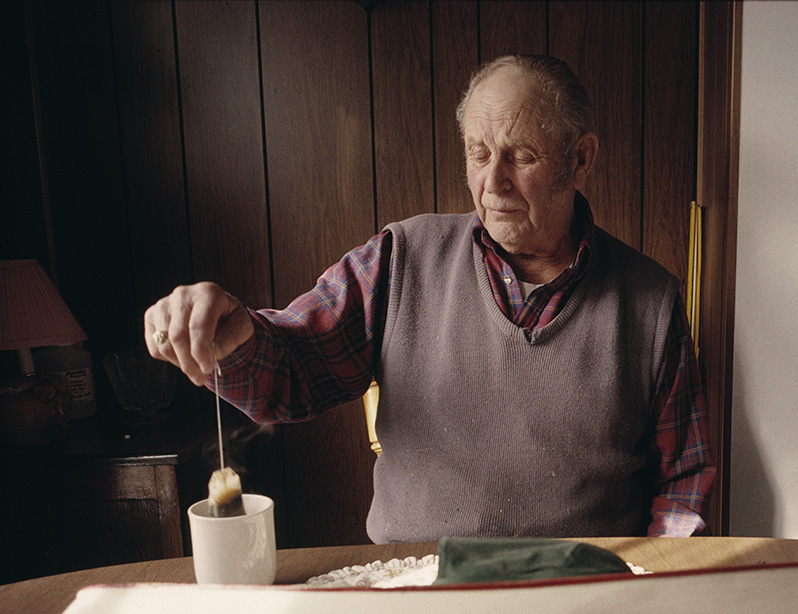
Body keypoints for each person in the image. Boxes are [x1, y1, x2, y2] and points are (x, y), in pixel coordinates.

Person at [144, 54, 714, 543]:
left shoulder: (650, 300)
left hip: (579, 593)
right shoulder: (402, 258)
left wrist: (653, 583)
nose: (493, 181)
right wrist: (235, 332)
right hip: (413, 583)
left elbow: (682, 480)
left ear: (580, 159)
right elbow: (296, 368)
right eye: (478, 152)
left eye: (521, 155)